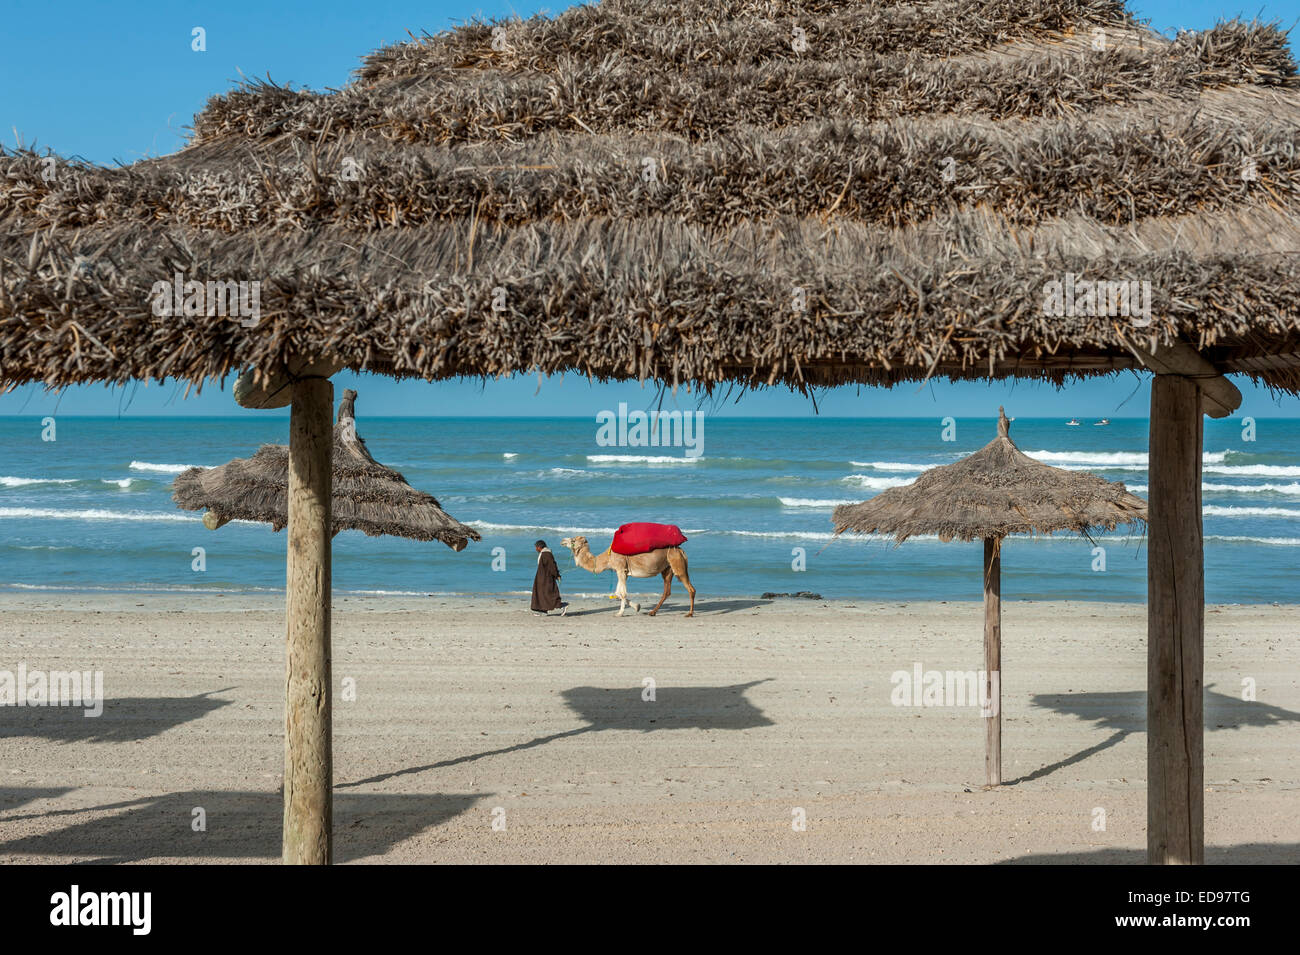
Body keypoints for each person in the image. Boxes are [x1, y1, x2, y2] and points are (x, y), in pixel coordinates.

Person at [531, 539, 566, 615]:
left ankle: (562, 605)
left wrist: (557, 575)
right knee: (542, 594)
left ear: (539, 547)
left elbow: (552, 565)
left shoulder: (546, 554)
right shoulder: (543, 553)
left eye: (536, 547)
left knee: (549, 594)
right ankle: (543, 611)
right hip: (542, 578)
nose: (536, 549)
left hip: (546, 578)